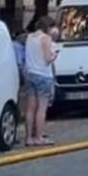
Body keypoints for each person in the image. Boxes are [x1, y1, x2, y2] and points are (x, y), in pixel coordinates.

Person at [22, 16, 59, 145]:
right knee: (41, 108)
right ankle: (39, 137)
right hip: (43, 75)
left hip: (30, 74)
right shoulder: (46, 39)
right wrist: (55, 55)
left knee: (30, 107)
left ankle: (28, 138)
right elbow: (47, 59)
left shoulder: (30, 38)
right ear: (48, 27)